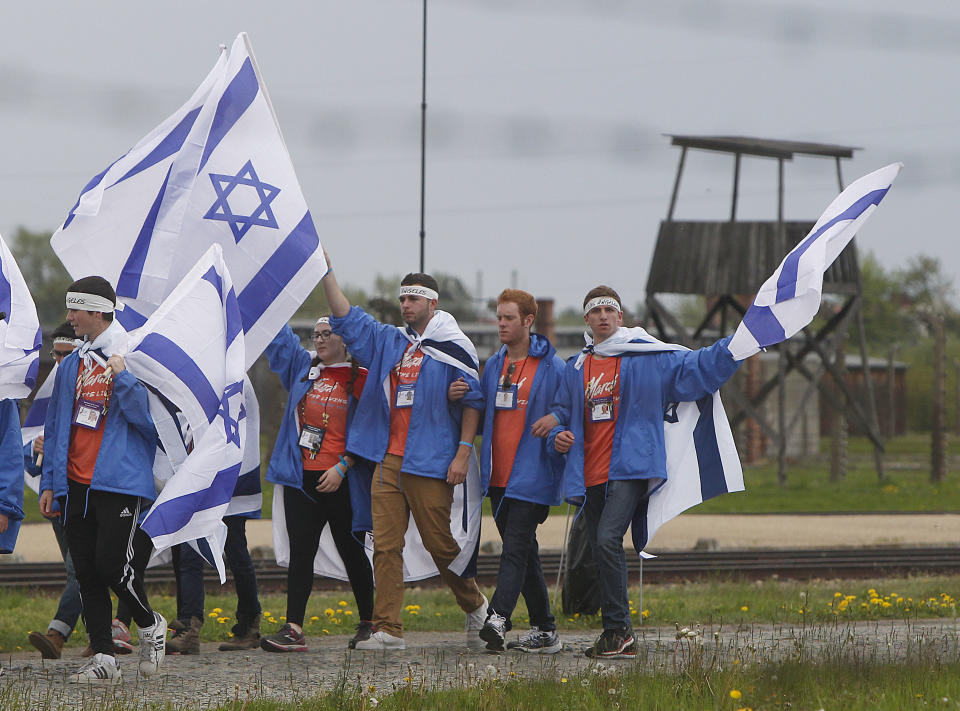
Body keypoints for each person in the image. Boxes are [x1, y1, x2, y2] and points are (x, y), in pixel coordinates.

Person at [548, 286, 741, 659]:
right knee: (599, 547)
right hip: (590, 473)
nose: (603, 315)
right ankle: (619, 634)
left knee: (605, 540)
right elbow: (561, 410)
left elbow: (696, 368)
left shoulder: (645, 357)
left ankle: (617, 630)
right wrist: (557, 433)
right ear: (586, 320)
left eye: (609, 309)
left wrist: (739, 345)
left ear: (621, 318)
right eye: (595, 311)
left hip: (631, 466)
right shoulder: (576, 367)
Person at [321, 252, 488, 651]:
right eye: (402, 299)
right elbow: (348, 318)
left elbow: (474, 402)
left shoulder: (453, 347)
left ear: (433, 303)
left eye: (413, 299)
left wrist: (463, 452)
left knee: (439, 544)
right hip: (389, 459)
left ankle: (475, 604)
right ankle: (387, 629)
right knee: (386, 545)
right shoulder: (391, 341)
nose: (405, 305)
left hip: (431, 461)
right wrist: (326, 272)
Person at [39, 277, 167, 684]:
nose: (69, 317)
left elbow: (150, 424)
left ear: (97, 311)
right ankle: (104, 659)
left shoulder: (133, 354)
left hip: (120, 482)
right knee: (88, 572)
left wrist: (122, 376)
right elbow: (58, 426)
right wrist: (50, 483)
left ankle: (149, 624)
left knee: (112, 564)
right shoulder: (73, 362)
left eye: (75, 310)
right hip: (76, 483)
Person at [450, 289, 566, 654]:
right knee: (525, 552)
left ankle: (498, 617)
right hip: (498, 477)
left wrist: (557, 420)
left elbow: (568, 407)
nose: (501, 324)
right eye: (499, 317)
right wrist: (464, 392)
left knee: (514, 547)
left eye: (508, 318)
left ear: (528, 321)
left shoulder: (552, 365)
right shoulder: (496, 364)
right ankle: (546, 631)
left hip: (533, 474)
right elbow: (484, 411)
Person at [258, 317, 375, 652]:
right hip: (302, 478)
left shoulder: (361, 377)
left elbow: (371, 428)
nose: (320, 341)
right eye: (317, 335)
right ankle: (293, 628)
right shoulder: (304, 368)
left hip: (342, 479)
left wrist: (344, 465)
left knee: (351, 551)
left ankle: (369, 622)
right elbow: (280, 341)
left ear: (344, 339)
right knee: (301, 553)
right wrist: (272, 301)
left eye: (327, 334)